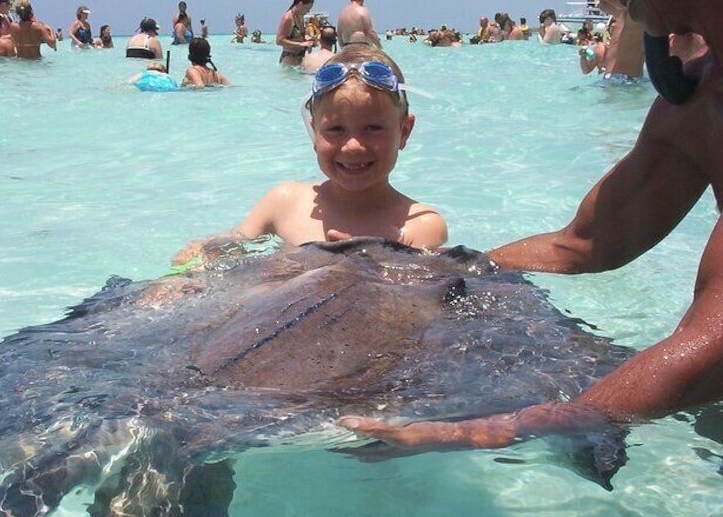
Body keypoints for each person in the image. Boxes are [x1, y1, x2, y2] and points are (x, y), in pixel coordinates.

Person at [338, 0, 723, 451]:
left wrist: (520, 424)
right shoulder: (699, 94)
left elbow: (713, 344)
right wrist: (437, 272)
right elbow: (583, 243)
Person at [173, 44, 447, 266]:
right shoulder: (285, 201)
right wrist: (189, 264)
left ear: (405, 131)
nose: (352, 146)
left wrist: (370, 263)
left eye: (373, 128)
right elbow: (229, 245)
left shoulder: (421, 225)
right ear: (313, 132)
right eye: (335, 129)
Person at [579, 0, 645, 81]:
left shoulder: (633, 11)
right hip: (633, 77)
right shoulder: (633, 14)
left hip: (620, 77)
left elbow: (605, 4)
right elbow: (602, 5)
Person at [276, 0, 315, 67]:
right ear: (300, 3)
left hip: (300, 57)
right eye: (307, 8)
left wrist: (308, 38)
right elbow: (279, 41)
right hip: (289, 58)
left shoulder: (300, 16)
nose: (308, 11)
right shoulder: (288, 18)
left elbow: (300, 34)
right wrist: (301, 44)